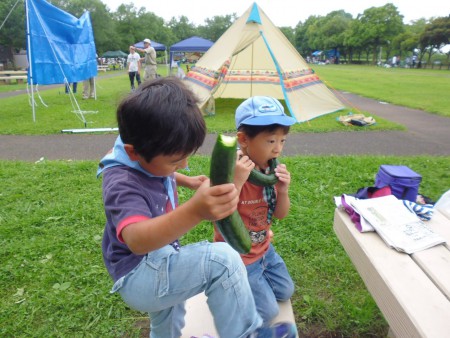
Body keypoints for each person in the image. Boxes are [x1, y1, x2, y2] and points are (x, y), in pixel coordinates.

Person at [97, 77, 297, 338]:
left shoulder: (143, 148)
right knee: (222, 259)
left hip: (160, 258)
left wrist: (184, 180)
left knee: (169, 315)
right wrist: (195, 210)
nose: (183, 165)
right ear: (134, 152)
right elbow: (136, 239)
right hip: (139, 275)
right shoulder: (120, 183)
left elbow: (156, 170)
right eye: (176, 161)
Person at [214, 96, 296, 325]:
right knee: (268, 313)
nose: (278, 149)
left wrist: (283, 190)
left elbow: (280, 215)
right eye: (271, 141)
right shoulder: (228, 170)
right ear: (243, 139)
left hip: (264, 250)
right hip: (238, 257)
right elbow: (218, 213)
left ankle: (253, 283)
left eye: (282, 141)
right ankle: (228, 287)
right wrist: (238, 182)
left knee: (286, 291)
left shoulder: (271, 173)